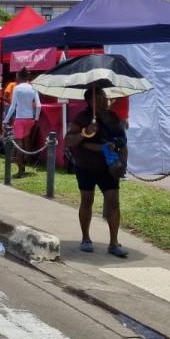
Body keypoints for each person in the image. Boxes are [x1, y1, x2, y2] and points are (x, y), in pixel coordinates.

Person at [66, 85, 129, 257]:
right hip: (86, 167)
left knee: (113, 202)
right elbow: (69, 140)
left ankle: (114, 243)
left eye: (103, 96)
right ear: (89, 101)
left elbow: (122, 143)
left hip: (109, 168)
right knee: (87, 201)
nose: (103, 99)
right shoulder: (83, 117)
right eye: (98, 97)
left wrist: (123, 162)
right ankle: (86, 238)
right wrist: (86, 133)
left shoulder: (113, 117)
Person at [3, 69, 41, 178]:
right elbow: (38, 105)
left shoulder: (17, 88)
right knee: (27, 143)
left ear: (19, 76)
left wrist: (5, 120)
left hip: (19, 119)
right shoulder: (33, 88)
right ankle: (25, 164)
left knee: (19, 145)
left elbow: (12, 106)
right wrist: (36, 118)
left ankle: (20, 170)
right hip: (30, 118)